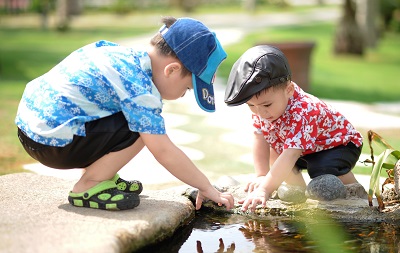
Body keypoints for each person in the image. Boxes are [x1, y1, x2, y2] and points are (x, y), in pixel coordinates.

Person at [15, 16, 234, 211]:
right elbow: (163, 151)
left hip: (31, 130)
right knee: (143, 130)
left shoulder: (120, 55)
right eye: (187, 89)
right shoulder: (140, 88)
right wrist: (205, 186)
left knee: (132, 118)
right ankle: (89, 185)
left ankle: (103, 175)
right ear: (172, 70)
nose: (182, 95)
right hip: (52, 144)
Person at [224, 45, 363, 212]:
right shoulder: (263, 108)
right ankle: (298, 194)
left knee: (321, 169)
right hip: (305, 148)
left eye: (266, 105)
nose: (260, 112)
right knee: (276, 154)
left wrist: (264, 190)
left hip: (339, 145)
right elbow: (259, 138)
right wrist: (262, 175)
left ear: (289, 90)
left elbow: (291, 154)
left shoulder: (304, 111)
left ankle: (355, 192)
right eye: (251, 106)